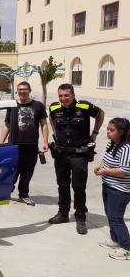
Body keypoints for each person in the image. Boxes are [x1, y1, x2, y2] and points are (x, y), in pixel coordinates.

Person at [48, 83, 105, 235]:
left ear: (73, 94)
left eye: (66, 95)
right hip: (61, 154)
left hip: (79, 154)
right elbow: (51, 118)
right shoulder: (54, 108)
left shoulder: (84, 106)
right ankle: (63, 213)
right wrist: (55, 133)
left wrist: (95, 133)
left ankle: (80, 217)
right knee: (62, 184)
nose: (63, 98)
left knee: (79, 187)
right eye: (60, 95)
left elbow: (101, 114)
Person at [0, 81, 49, 206]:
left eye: (25, 89)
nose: (22, 91)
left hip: (31, 146)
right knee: (12, 171)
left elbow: (44, 124)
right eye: (20, 89)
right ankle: (5, 193)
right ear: (17, 91)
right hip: (13, 146)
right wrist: (1, 143)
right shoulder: (12, 105)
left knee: (27, 172)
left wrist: (45, 141)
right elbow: (7, 125)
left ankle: (23, 194)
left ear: (30, 90)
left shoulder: (38, 106)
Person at [94, 118, 130, 260]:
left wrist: (106, 171)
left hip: (120, 190)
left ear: (121, 132)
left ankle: (127, 247)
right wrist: (100, 166)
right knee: (109, 214)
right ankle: (115, 240)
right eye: (108, 129)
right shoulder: (113, 143)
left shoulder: (126, 148)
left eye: (111, 130)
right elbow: (107, 158)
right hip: (108, 185)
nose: (108, 132)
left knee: (116, 218)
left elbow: (126, 170)